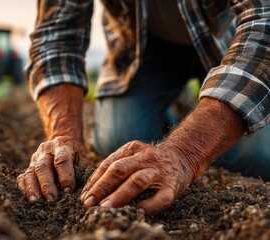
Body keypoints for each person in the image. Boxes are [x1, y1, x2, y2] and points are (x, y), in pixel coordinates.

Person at [16, 0, 270, 214]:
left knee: (256, 157)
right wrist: (64, 134)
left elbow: (265, 22)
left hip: (232, 40)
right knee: (119, 141)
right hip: (143, 49)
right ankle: (176, 112)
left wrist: (185, 151)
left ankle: (197, 116)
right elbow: (57, 36)